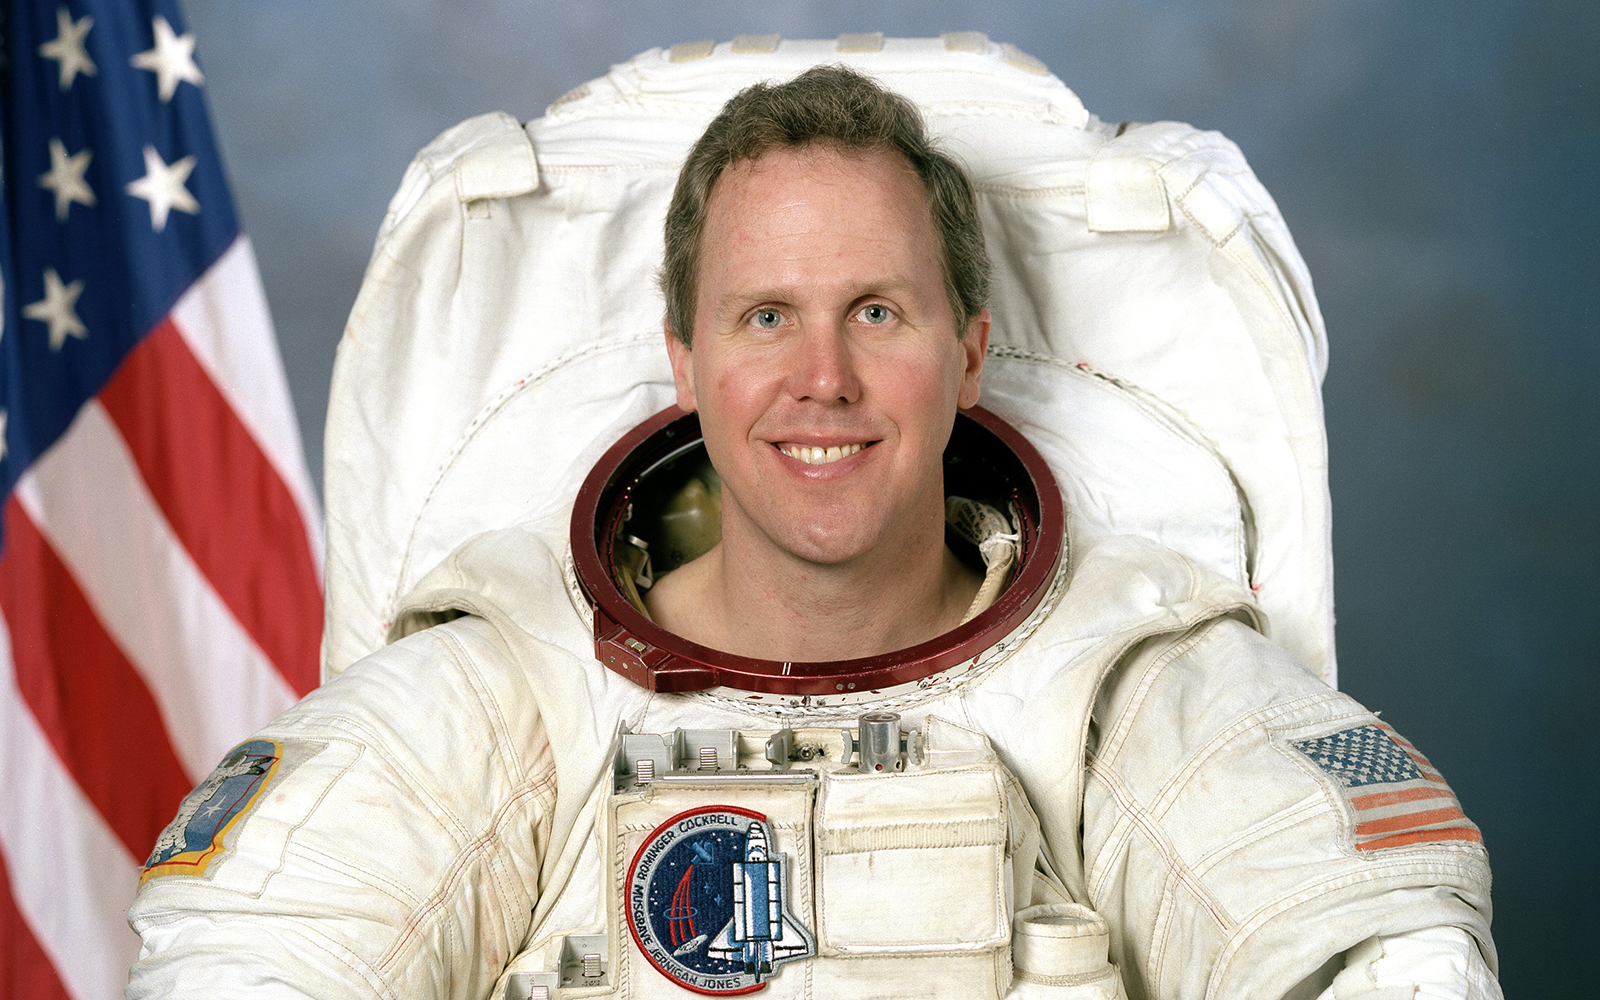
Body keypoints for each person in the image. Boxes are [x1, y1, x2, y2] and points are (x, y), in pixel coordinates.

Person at [127, 65, 1499, 1000]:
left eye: (877, 313)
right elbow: (251, 952)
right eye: (766, 316)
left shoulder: (1131, 682)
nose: (822, 378)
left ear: (969, 354)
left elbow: (1380, 950)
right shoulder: (507, 692)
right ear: (685, 362)